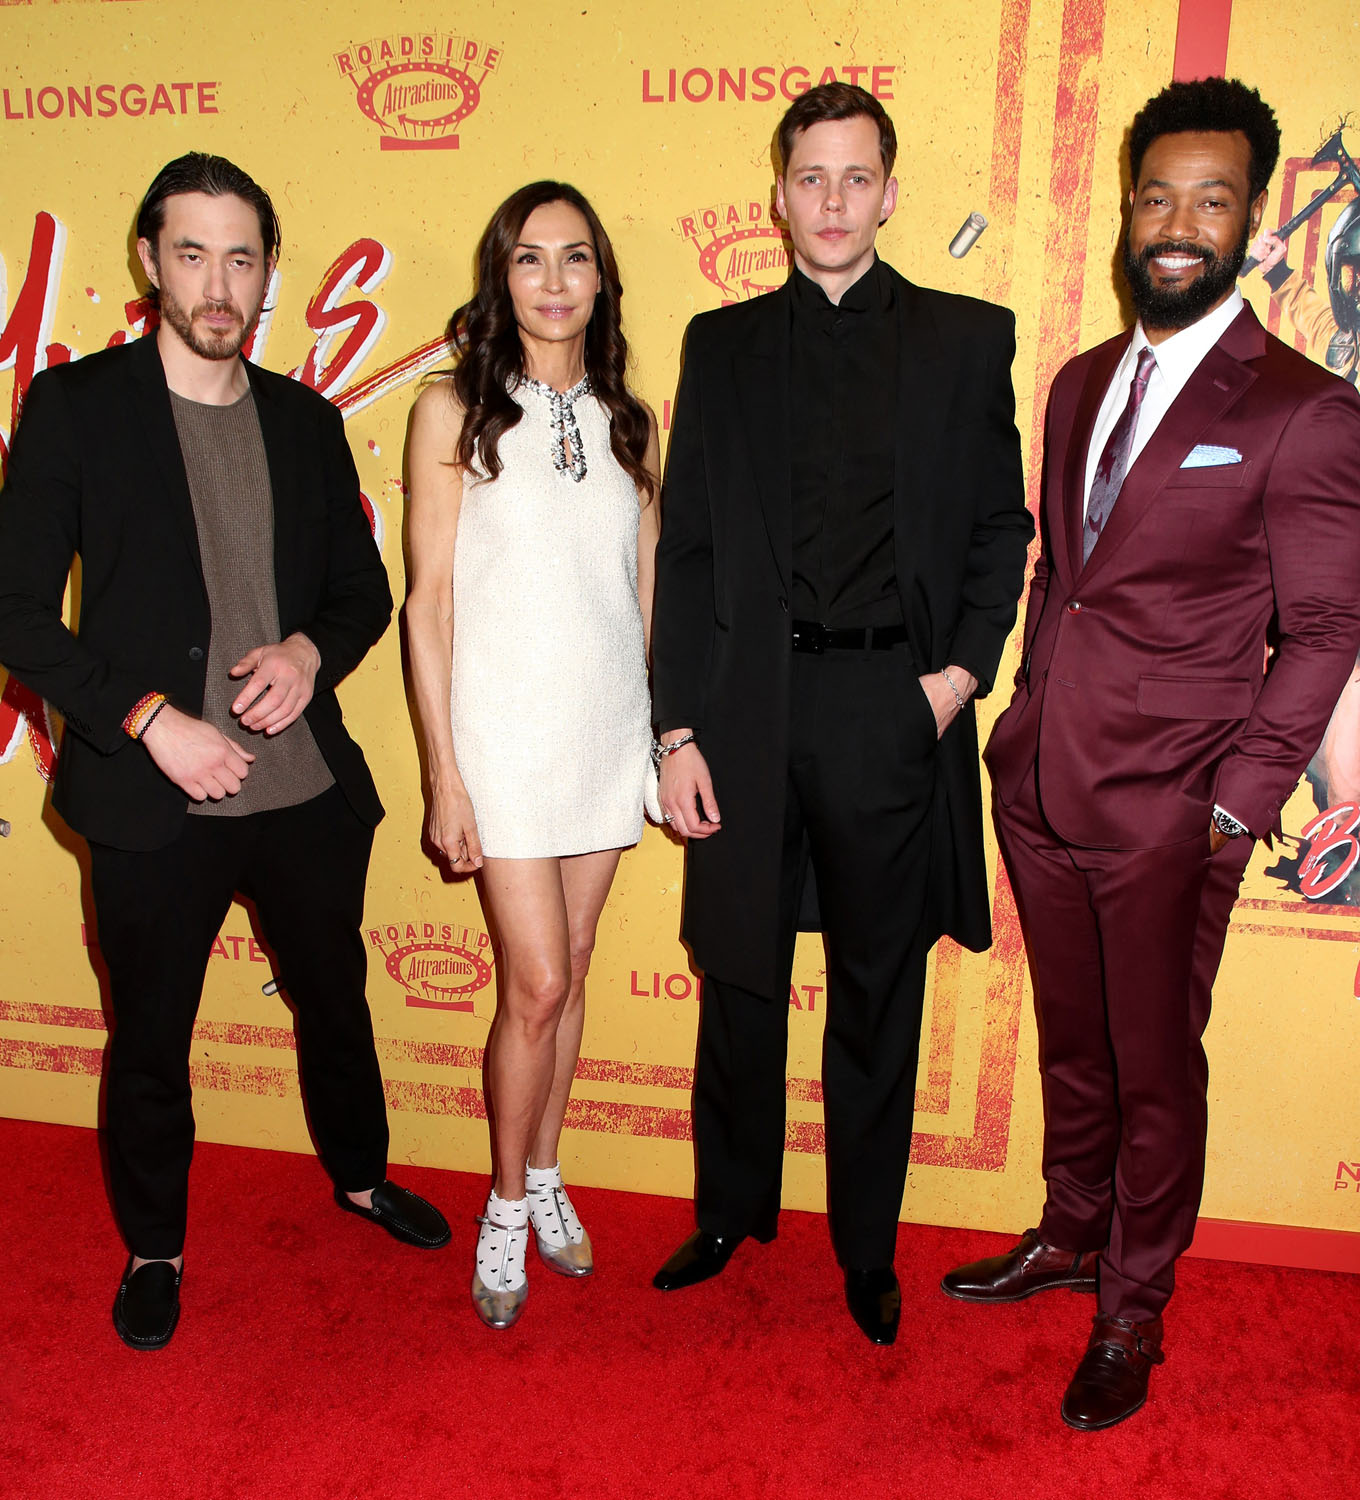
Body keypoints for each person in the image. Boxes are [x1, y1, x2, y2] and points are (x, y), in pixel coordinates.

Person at [943, 78, 1360, 1430]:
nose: (1179, 225)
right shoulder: (1078, 382)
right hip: (1041, 783)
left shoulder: (1303, 408)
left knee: (1155, 1066)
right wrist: (1019, 721)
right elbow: (1063, 578)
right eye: (1157, 197)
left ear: (1251, 221)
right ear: (1127, 210)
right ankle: (1071, 1234)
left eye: (1212, 200)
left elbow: (1327, 628)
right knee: (1076, 1043)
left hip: (1175, 811)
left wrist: (1234, 805)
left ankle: (1132, 1305)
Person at [0, 153, 450, 1351]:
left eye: (240, 257)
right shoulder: (77, 408)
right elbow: (16, 613)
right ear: (149, 260)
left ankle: (361, 1177)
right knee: (151, 1038)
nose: (217, 283)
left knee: (336, 999)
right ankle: (155, 1247)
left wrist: (307, 650)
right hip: (153, 799)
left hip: (303, 789)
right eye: (192, 253)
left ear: (267, 273)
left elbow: (360, 592)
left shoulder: (305, 421)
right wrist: (151, 719)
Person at [650, 82, 1031, 1345]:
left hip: (891, 705)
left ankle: (868, 1250)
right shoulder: (720, 345)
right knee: (739, 975)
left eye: (855, 177)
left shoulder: (966, 339)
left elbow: (1000, 530)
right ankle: (726, 1213)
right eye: (809, 177)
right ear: (778, 194)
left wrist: (955, 679)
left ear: (889, 192)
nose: (831, 201)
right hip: (746, 708)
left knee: (878, 989)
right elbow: (689, 550)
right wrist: (676, 730)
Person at [404, 181, 659, 1330]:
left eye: (575, 258)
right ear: (499, 277)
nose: (554, 281)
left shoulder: (630, 421)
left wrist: (658, 738)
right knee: (538, 982)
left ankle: (549, 1172)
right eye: (529, 258)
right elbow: (428, 605)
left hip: (605, 730)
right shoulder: (452, 410)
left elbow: (644, 599)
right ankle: (505, 1205)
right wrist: (444, 776)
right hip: (501, 738)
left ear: (601, 277)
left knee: (578, 965)